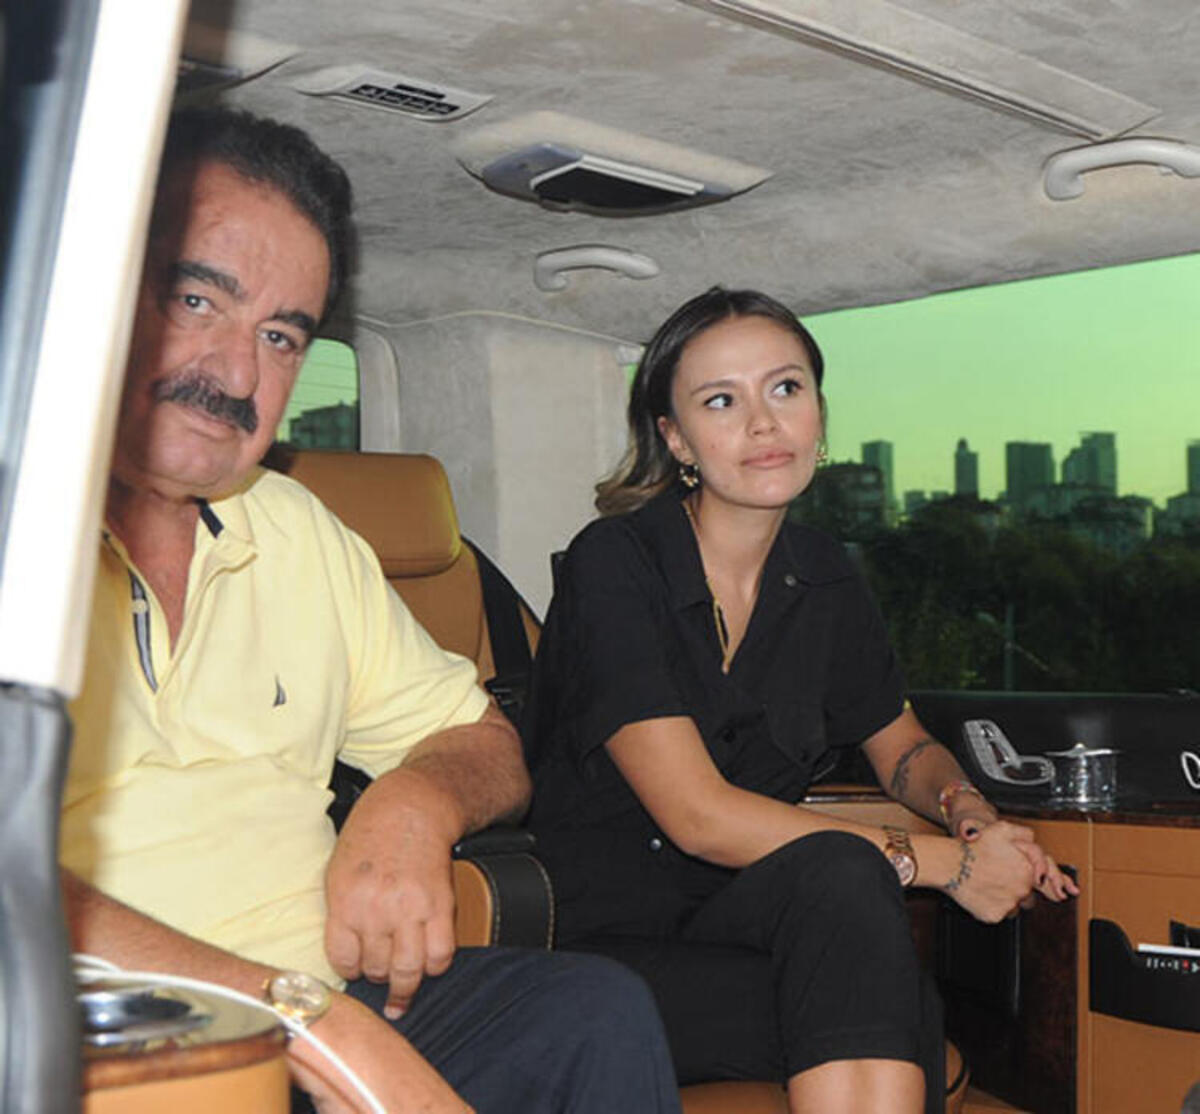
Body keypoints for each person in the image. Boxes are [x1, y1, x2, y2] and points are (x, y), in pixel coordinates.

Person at [61, 106, 681, 1114]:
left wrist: (413, 805)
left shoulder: (293, 528)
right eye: (196, 299)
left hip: (319, 996)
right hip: (93, 1033)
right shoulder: (24, 533)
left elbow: (483, 740)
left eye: (280, 336)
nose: (237, 373)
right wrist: (310, 1023)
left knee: (597, 1012)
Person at [522, 287, 1079, 1114]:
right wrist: (947, 866)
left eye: (785, 388)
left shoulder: (823, 574)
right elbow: (697, 816)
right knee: (885, 982)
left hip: (740, 925)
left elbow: (901, 747)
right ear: (675, 438)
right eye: (721, 401)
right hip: (597, 948)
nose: (763, 423)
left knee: (862, 940)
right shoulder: (616, 563)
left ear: (819, 411)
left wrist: (967, 812)